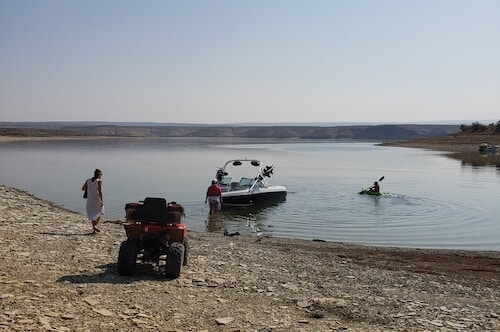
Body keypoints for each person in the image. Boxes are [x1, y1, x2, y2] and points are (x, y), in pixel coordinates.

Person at [82, 169, 104, 233]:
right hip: (97, 200)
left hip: (90, 201)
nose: (101, 176)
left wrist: (89, 189)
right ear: (99, 174)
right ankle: (96, 226)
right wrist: (102, 200)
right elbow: (100, 191)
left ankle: (94, 230)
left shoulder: (88, 180)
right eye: (101, 174)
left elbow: (83, 188)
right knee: (102, 212)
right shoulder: (99, 181)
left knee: (92, 215)